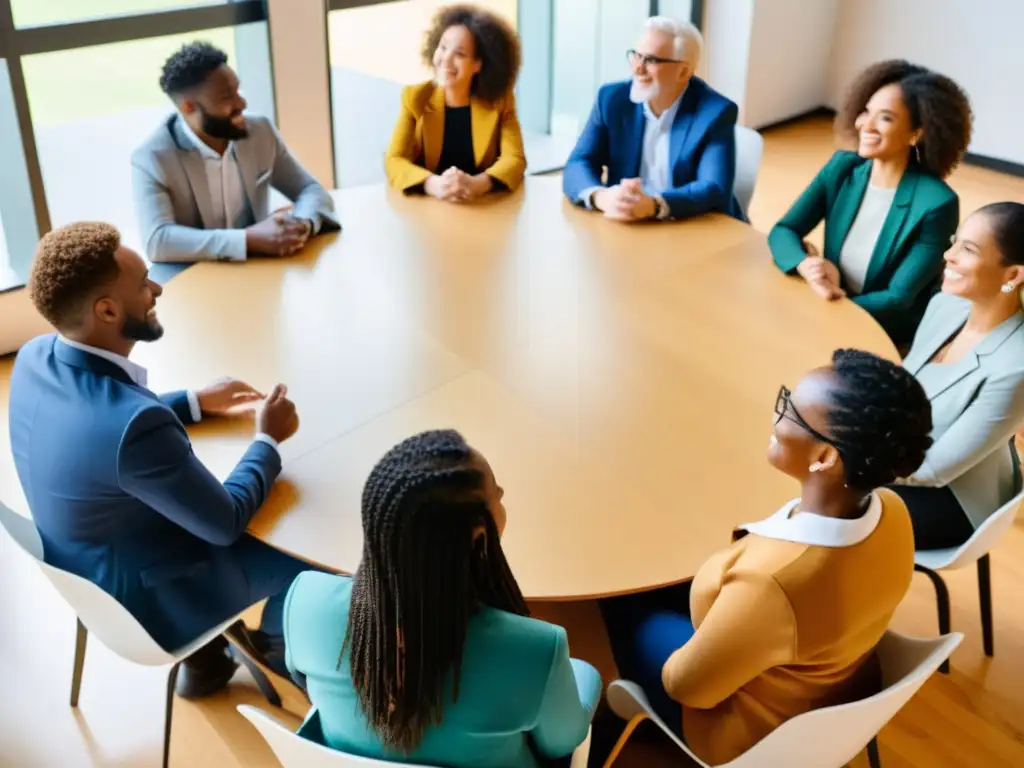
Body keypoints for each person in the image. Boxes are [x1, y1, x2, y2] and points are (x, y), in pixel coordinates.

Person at [8, 222, 309, 698]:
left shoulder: (34, 358)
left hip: (89, 569)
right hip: (151, 602)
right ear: (106, 309)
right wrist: (267, 439)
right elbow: (225, 521)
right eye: (144, 283)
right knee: (310, 555)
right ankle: (276, 648)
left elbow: (99, 434)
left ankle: (206, 662)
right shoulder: (133, 429)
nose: (157, 289)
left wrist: (191, 402)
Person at [598, 349, 931, 766]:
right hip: (823, 680)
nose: (777, 416)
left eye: (790, 409)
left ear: (825, 457)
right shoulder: (893, 512)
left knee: (617, 595)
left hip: (742, 731)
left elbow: (687, 687)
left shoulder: (772, 585)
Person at [283, 430, 600, 768]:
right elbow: (562, 742)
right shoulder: (537, 652)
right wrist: (582, 671)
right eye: (497, 491)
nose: (503, 492)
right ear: (479, 533)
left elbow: (301, 680)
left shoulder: (306, 600)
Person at [769, 60, 973, 349]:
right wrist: (806, 265)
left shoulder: (937, 203)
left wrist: (829, 304)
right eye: (866, 112)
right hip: (830, 304)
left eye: (886, 118)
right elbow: (785, 229)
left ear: (916, 133)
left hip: (885, 331)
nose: (865, 124)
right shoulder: (841, 168)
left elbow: (898, 297)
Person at [132, 41, 338, 264]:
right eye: (226, 97)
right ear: (188, 107)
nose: (242, 103)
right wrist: (247, 240)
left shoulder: (260, 133)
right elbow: (157, 240)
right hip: (195, 281)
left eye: (237, 90)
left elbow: (310, 189)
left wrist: (300, 224)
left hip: (261, 271)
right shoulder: (153, 157)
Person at [895, 202, 1024, 550]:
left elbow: (935, 470)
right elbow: (902, 390)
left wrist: (852, 460)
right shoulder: (944, 305)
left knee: (829, 504)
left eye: (967, 250)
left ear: (1013, 275)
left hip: (952, 499)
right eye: (955, 242)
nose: (948, 256)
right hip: (902, 457)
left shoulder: (1017, 367)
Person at [562, 16, 743, 223]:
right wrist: (601, 197)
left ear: (683, 71)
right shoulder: (612, 99)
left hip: (691, 224)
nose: (638, 68)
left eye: (651, 60)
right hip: (629, 224)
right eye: (636, 56)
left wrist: (654, 205)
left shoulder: (715, 112)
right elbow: (579, 162)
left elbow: (713, 187)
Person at [385, 5, 526, 200]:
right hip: (429, 209)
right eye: (443, 47)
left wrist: (478, 184)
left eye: (459, 54)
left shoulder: (500, 102)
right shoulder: (415, 97)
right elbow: (394, 160)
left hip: (482, 207)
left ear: (478, 64)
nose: (446, 59)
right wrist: (432, 184)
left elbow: (515, 159)